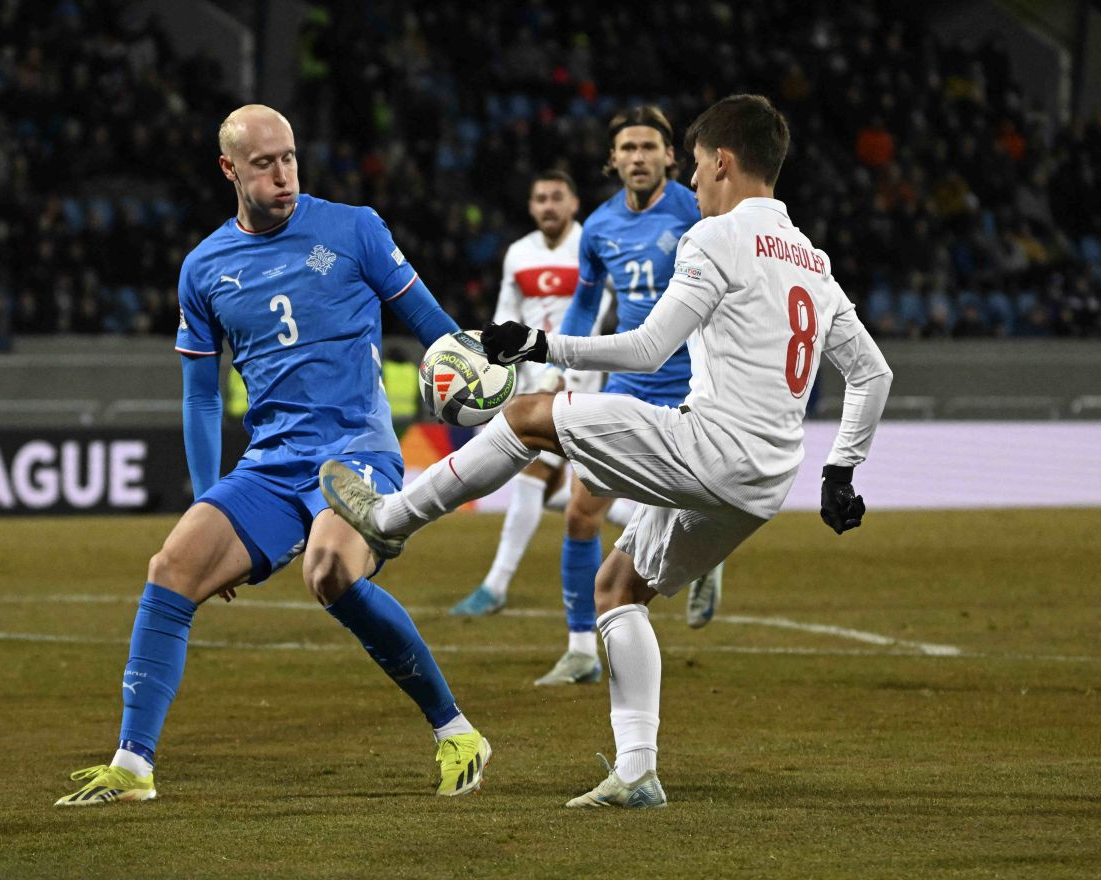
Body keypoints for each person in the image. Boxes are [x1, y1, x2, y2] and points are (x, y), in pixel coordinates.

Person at [320, 94, 892, 808]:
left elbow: (650, 349)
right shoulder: (812, 257)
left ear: (721, 161)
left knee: (530, 415)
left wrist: (540, 343)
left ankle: (391, 519)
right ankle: (637, 771)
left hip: (710, 445)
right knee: (618, 590)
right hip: (768, 480)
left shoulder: (714, 238)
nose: (690, 186)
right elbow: (872, 371)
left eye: (696, 171)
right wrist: (841, 469)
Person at [55, 105, 490, 806]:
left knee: (328, 574)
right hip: (272, 461)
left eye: (289, 157)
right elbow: (200, 399)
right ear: (229, 169)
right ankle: (133, 767)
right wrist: (207, 498)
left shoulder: (355, 229)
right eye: (264, 163)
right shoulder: (203, 269)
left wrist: (479, 372)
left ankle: (457, 731)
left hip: (357, 451)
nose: (283, 174)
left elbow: (437, 331)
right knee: (171, 567)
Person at [526, 107, 727, 689]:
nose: (638, 157)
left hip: (693, 385)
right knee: (580, 512)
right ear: (612, 160)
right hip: (629, 385)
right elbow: (586, 305)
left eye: (649, 146)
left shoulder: (698, 211)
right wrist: (560, 362)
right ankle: (581, 648)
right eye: (627, 148)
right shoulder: (599, 227)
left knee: (695, 504)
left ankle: (705, 560)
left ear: (671, 157)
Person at [450, 170, 636, 621]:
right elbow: (505, 315)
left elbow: (611, 309)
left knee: (533, 480)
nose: (548, 205)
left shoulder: (593, 247)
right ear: (531, 207)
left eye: (557, 197)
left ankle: (495, 586)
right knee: (568, 492)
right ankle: (655, 526)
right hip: (533, 384)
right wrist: (492, 367)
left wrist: (566, 367)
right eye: (540, 198)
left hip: (581, 380)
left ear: (574, 203)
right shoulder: (518, 254)